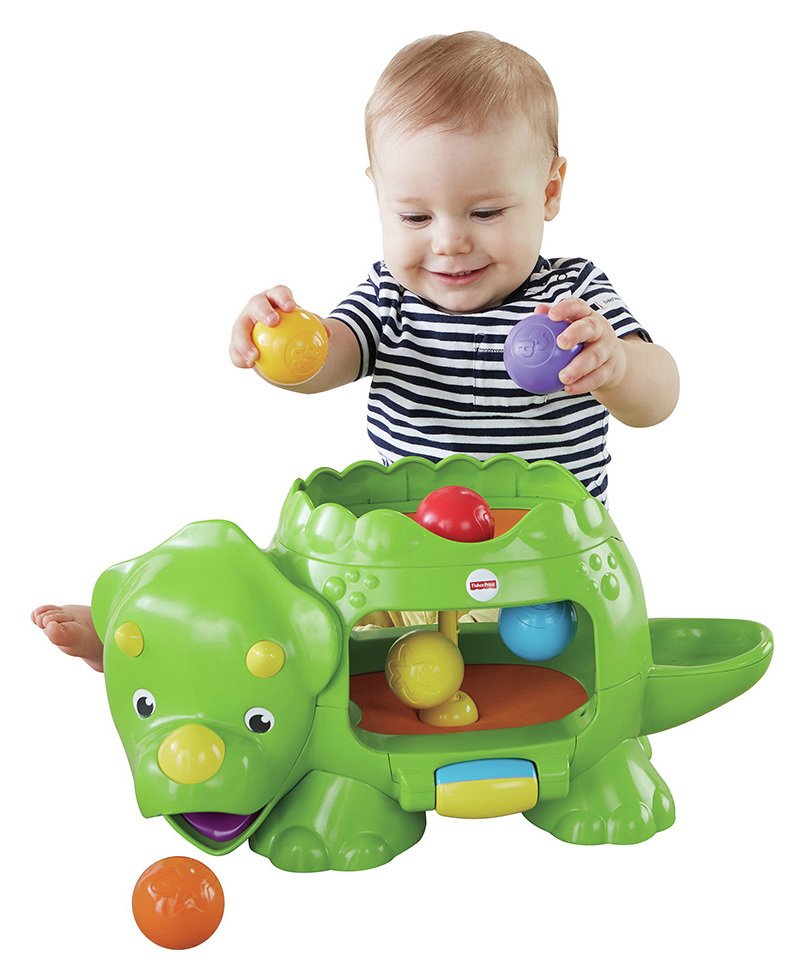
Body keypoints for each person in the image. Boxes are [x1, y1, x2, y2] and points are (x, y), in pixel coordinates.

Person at [32, 31, 679, 666]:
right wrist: (282, 340)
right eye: (415, 217)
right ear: (379, 197)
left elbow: (659, 397)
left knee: (534, 654)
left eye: (485, 213)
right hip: (400, 573)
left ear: (550, 191)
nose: (449, 242)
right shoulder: (389, 299)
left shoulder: (572, 301)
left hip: (542, 580)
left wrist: (617, 365)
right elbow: (329, 358)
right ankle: (143, 632)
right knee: (279, 608)